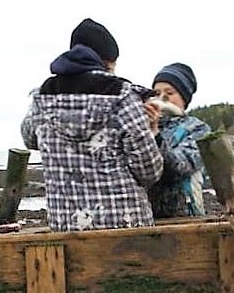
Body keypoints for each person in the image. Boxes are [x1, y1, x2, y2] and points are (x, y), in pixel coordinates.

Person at [21, 18, 163, 231]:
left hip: (67, 232)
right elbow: (149, 171)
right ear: (107, 61)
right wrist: (150, 129)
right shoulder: (123, 96)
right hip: (128, 234)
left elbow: (28, 138)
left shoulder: (43, 97)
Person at [146, 63, 212, 218]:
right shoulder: (140, 126)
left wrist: (154, 134)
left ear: (184, 98)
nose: (163, 98)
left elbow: (179, 168)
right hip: (145, 216)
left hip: (184, 216)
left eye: (170, 92)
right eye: (156, 93)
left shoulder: (197, 129)